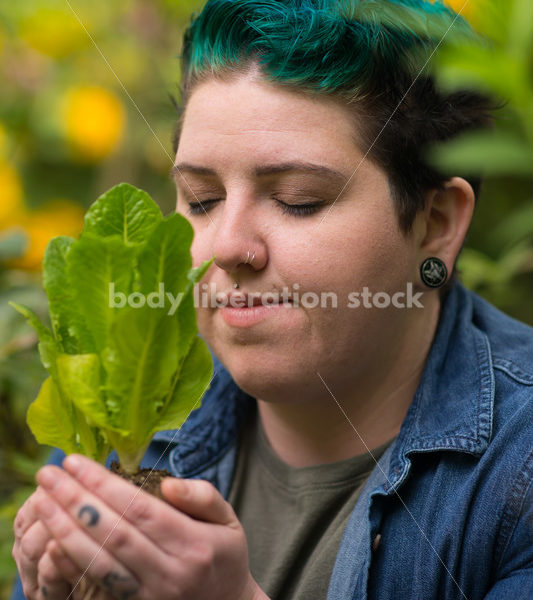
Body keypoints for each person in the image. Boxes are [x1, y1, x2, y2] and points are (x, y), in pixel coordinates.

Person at [11, 1, 533, 599]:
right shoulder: (124, 416)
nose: (229, 245)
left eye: (297, 199)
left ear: (435, 223)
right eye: (202, 199)